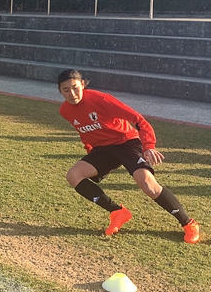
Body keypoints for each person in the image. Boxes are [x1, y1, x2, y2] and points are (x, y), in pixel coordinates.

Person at [57, 69, 199, 243]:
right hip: (103, 149)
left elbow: (138, 120)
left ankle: (188, 223)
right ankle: (118, 212)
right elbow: (84, 131)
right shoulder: (65, 110)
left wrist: (148, 146)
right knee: (74, 175)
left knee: (147, 184)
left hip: (126, 142)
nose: (72, 94)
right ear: (60, 91)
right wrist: (89, 149)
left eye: (75, 88)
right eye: (66, 90)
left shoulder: (102, 100)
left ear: (83, 85)